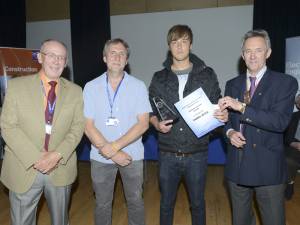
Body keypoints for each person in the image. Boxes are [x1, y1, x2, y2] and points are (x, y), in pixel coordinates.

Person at [148, 24, 228, 225]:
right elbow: (149, 110)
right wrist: (156, 123)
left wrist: (221, 117)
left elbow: (215, 107)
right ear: (169, 46)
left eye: (184, 41)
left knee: (198, 204)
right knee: (166, 204)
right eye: (175, 42)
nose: (180, 46)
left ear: (191, 45)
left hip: (197, 154)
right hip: (167, 153)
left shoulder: (207, 74)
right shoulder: (159, 77)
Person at [0, 39, 85, 225]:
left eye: (61, 57)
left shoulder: (76, 91)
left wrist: (57, 154)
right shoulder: (16, 87)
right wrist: (36, 158)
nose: (56, 61)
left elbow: (78, 127)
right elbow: (8, 126)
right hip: (25, 166)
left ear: (66, 62)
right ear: (39, 57)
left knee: (60, 221)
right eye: (51, 55)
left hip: (60, 166)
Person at [220, 29, 298, 225]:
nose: (252, 55)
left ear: (268, 53)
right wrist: (229, 132)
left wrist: (242, 107)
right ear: (242, 54)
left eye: (258, 50)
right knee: (241, 221)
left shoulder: (285, 82)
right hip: (237, 165)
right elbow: (225, 120)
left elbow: (279, 122)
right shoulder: (232, 84)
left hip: (267, 167)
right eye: (248, 51)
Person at [83, 38, 152, 225]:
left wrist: (113, 148)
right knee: (102, 204)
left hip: (131, 156)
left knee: (136, 202)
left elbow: (143, 124)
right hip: (100, 157)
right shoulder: (90, 87)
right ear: (104, 58)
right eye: (113, 53)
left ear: (127, 60)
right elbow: (87, 125)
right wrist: (111, 151)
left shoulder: (138, 86)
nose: (117, 57)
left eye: (122, 54)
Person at [284, 94, 300, 200]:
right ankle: (290, 183)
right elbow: (287, 138)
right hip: (296, 147)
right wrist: (295, 144)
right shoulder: (293, 117)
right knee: (288, 160)